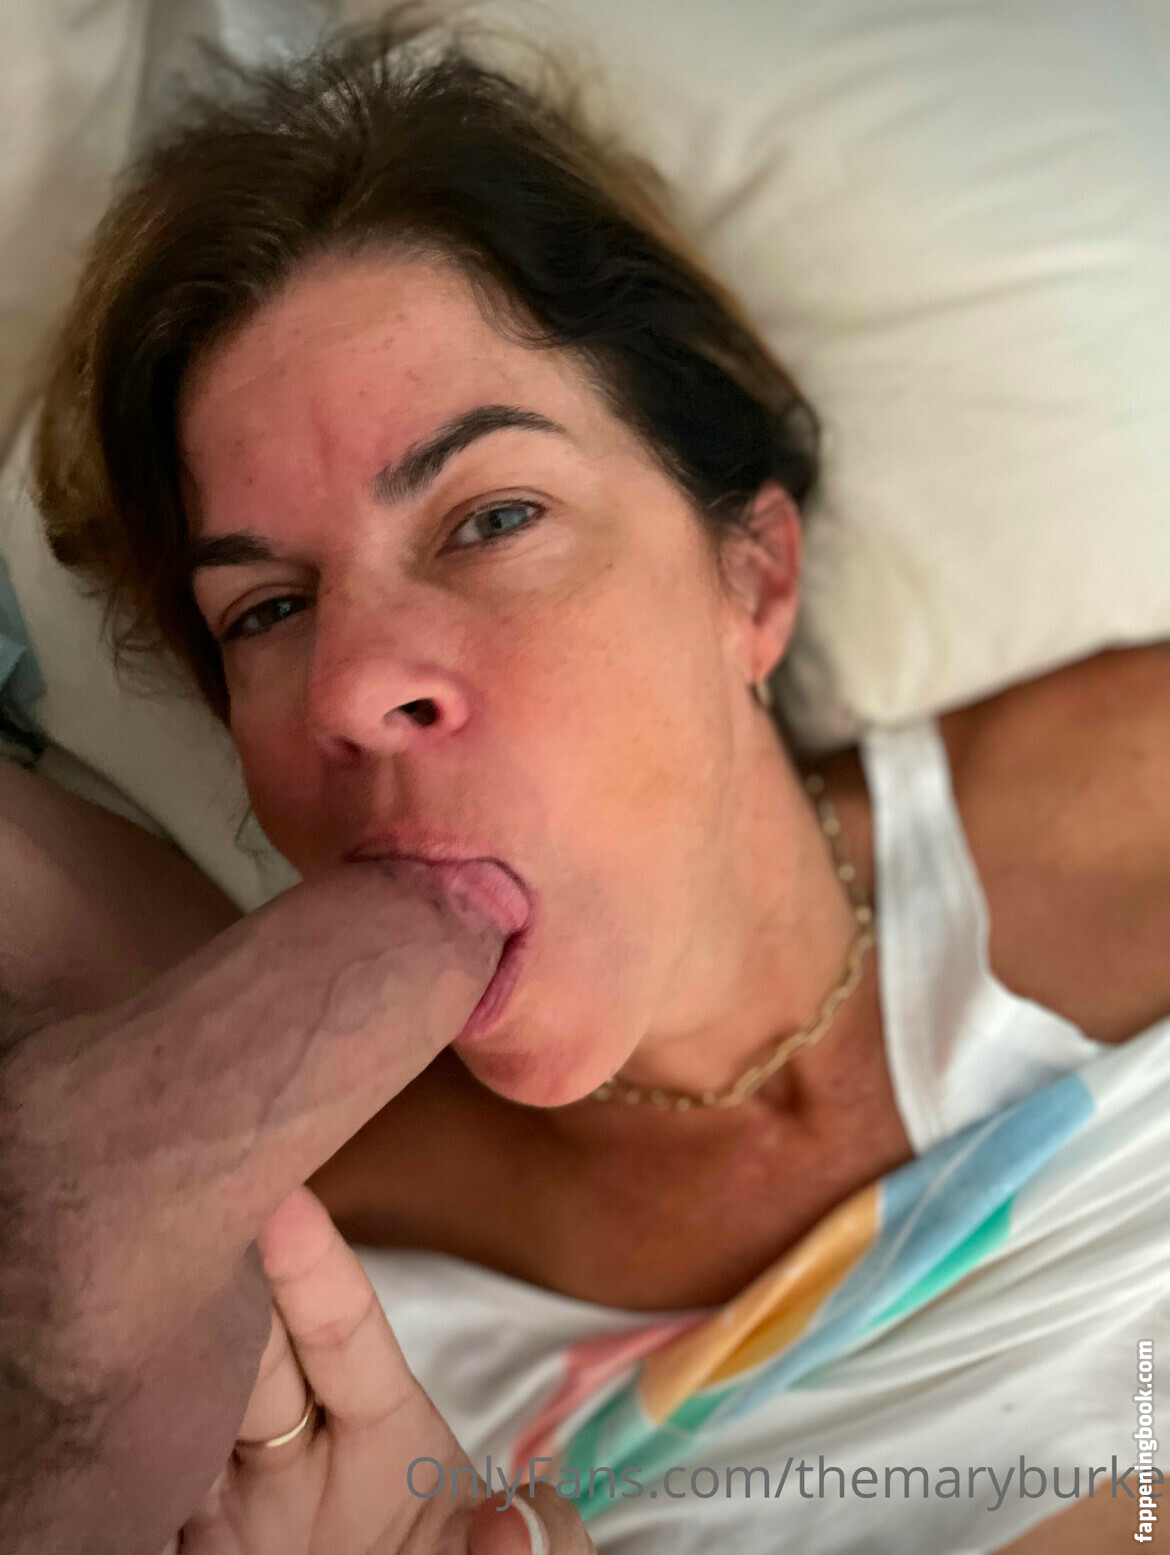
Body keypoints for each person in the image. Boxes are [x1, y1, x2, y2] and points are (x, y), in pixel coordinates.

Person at [9, 8, 1170, 1552]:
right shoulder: (300, 1318)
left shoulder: (1139, 798)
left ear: (750, 575)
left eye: (490, 518)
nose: (347, 689)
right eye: (267, 612)